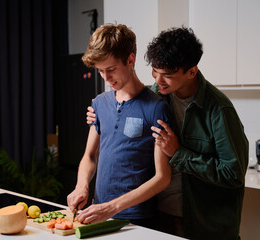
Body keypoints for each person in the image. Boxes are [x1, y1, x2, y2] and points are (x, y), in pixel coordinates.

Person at [87, 27, 249, 240]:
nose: (158, 80)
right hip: (161, 214)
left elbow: (233, 173)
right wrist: (100, 111)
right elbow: (134, 104)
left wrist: (179, 153)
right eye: (155, 71)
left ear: (191, 72)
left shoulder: (218, 110)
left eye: (167, 76)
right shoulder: (157, 96)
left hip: (203, 222)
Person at [67, 24, 172, 228]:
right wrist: (81, 186)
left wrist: (112, 207)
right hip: (98, 212)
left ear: (130, 60)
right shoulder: (99, 103)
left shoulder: (156, 107)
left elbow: (162, 178)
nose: (106, 78)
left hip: (137, 219)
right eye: (100, 71)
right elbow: (90, 156)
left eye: (111, 69)